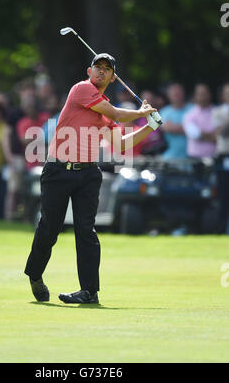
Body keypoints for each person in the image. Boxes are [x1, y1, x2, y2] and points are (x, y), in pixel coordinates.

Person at [24, 53, 161, 304]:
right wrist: (142, 112)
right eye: (97, 67)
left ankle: (89, 292)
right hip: (58, 170)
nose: (100, 72)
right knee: (50, 228)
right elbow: (118, 115)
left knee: (86, 231)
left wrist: (150, 126)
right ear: (89, 71)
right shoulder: (82, 89)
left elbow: (121, 144)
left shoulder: (105, 109)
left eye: (106, 69)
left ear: (113, 76)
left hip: (87, 173)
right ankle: (35, 275)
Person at [212, 83, 229, 233]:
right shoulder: (218, 112)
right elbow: (220, 132)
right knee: (223, 195)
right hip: (224, 156)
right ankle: (222, 228)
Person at [160, 83, 193, 158]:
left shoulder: (193, 109)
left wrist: (173, 127)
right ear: (168, 96)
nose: (177, 96)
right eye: (174, 94)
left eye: (178, 93)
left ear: (184, 94)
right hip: (171, 157)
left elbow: (199, 129)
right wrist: (188, 128)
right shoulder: (164, 112)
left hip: (193, 156)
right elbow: (165, 128)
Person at [183, 84, 216, 158]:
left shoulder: (218, 111)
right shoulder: (189, 114)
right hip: (196, 158)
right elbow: (195, 134)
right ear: (195, 96)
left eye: (205, 94)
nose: (203, 97)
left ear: (210, 94)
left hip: (216, 157)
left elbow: (221, 134)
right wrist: (213, 136)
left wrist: (204, 135)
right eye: (200, 94)